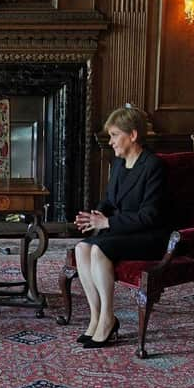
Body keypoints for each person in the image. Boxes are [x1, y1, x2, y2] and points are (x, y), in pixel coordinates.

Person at [73, 105, 170, 349]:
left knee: (97, 250)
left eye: (115, 134)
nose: (111, 141)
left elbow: (150, 216)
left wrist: (107, 223)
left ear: (133, 135)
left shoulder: (153, 166)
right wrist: (95, 215)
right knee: (81, 249)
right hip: (121, 230)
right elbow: (109, 200)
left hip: (149, 236)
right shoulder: (118, 164)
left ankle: (108, 318)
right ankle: (96, 317)